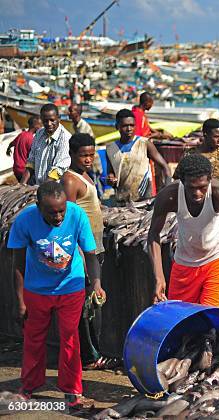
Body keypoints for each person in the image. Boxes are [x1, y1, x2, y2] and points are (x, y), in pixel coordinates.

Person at [8, 181, 105, 406]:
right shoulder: (24, 220)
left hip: (71, 286)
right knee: (33, 338)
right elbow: (17, 262)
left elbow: (91, 254)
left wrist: (97, 284)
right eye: (52, 212)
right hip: (36, 289)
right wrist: (20, 300)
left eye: (62, 210)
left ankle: (72, 389)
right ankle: (29, 385)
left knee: (70, 338)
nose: (59, 217)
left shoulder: (77, 215)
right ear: (38, 206)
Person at [148, 153, 219, 307]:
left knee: (210, 316)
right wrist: (159, 277)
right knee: (179, 316)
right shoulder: (168, 196)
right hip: (185, 259)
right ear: (182, 181)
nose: (197, 194)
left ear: (209, 179)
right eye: (192, 188)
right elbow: (153, 235)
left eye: (202, 187)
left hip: (217, 256)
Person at [62, 134, 117, 370]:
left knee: (96, 301)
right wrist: (81, 257)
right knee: (86, 306)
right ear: (72, 154)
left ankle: (94, 353)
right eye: (83, 155)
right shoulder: (70, 180)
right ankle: (90, 356)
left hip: (95, 247)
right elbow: (69, 221)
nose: (88, 159)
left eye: (91, 154)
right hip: (84, 251)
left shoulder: (86, 175)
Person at [106, 109, 172, 203]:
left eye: (132, 125)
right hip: (122, 200)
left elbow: (165, 167)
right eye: (125, 126)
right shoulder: (110, 148)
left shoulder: (144, 143)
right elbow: (111, 172)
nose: (129, 129)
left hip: (145, 199)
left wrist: (167, 189)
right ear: (117, 127)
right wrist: (111, 179)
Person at [21, 104, 72, 186]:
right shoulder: (39, 133)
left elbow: (58, 169)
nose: (49, 124)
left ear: (58, 118)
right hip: (39, 185)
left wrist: (42, 190)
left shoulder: (65, 137)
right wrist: (22, 184)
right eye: (45, 121)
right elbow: (31, 161)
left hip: (55, 188)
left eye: (52, 120)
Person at [7, 116, 42, 182]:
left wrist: (8, 149)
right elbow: (33, 157)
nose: (41, 127)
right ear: (35, 126)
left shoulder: (21, 134)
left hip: (16, 170)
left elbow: (11, 143)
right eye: (40, 125)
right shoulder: (31, 139)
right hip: (25, 171)